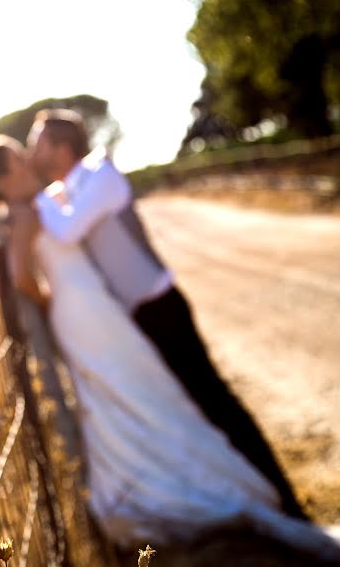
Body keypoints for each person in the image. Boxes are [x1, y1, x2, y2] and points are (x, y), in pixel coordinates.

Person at [0, 134, 340, 559]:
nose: (26, 164)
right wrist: (48, 301)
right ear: (1, 180)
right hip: (79, 311)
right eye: (17, 162)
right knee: (120, 389)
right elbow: (20, 276)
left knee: (139, 384)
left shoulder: (36, 205)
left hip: (95, 305)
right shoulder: (20, 214)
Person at [26, 108, 308, 521]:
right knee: (191, 406)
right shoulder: (69, 190)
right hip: (140, 319)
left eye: (39, 141)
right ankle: (247, 490)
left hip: (162, 309)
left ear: (61, 147)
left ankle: (282, 498)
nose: (34, 149)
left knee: (215, 401)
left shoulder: (99, 175)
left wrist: (31, 201)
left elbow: (68, 230)